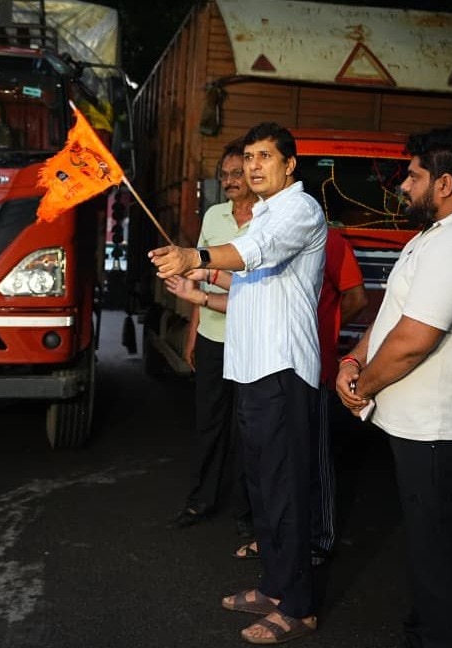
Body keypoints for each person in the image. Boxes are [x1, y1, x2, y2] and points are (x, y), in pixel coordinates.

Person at [335, 124, 452, 648]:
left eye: (412, 176)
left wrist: (361, 386)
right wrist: (354, 357)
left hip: (440, 428)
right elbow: (394, 315)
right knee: (428, 549)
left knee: (440, 556)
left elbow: (413, 340)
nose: (402, 186)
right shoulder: (436, 236)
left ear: (445, 183)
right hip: (421, 426)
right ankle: (428, 630)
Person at [150, 121, 326, 644]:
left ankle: (299, 606)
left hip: (281, 370)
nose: (252, 166)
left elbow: (257, 254)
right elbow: (247, 283)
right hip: (249, 369)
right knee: (263, 488)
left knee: (286, 491)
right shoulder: (265, 215)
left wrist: (199, 256)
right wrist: (198, 285)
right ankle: (274, 587)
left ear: (289, 165)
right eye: (248, 157)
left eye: (264, 157)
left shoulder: (299, 209)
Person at [230, 228, 368, 564]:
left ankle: (318, 539)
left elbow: (357, 298)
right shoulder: (263, 238)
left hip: (310, 364)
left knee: (313, 457)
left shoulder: (328, 240)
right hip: (268, 368)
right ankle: (275, 540)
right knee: (273, 463)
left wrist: (322, 328)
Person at [166, 140, 257, 534]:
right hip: (212, 336)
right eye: (225, 174)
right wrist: (192, 333)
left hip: (253, 339)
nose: (231, 180)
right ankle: (200, 501)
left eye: (238, 173)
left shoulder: (268, 221)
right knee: (209, 423)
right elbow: (194, 274)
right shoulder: (215, 215)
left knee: (247, 428)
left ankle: (247, 513)